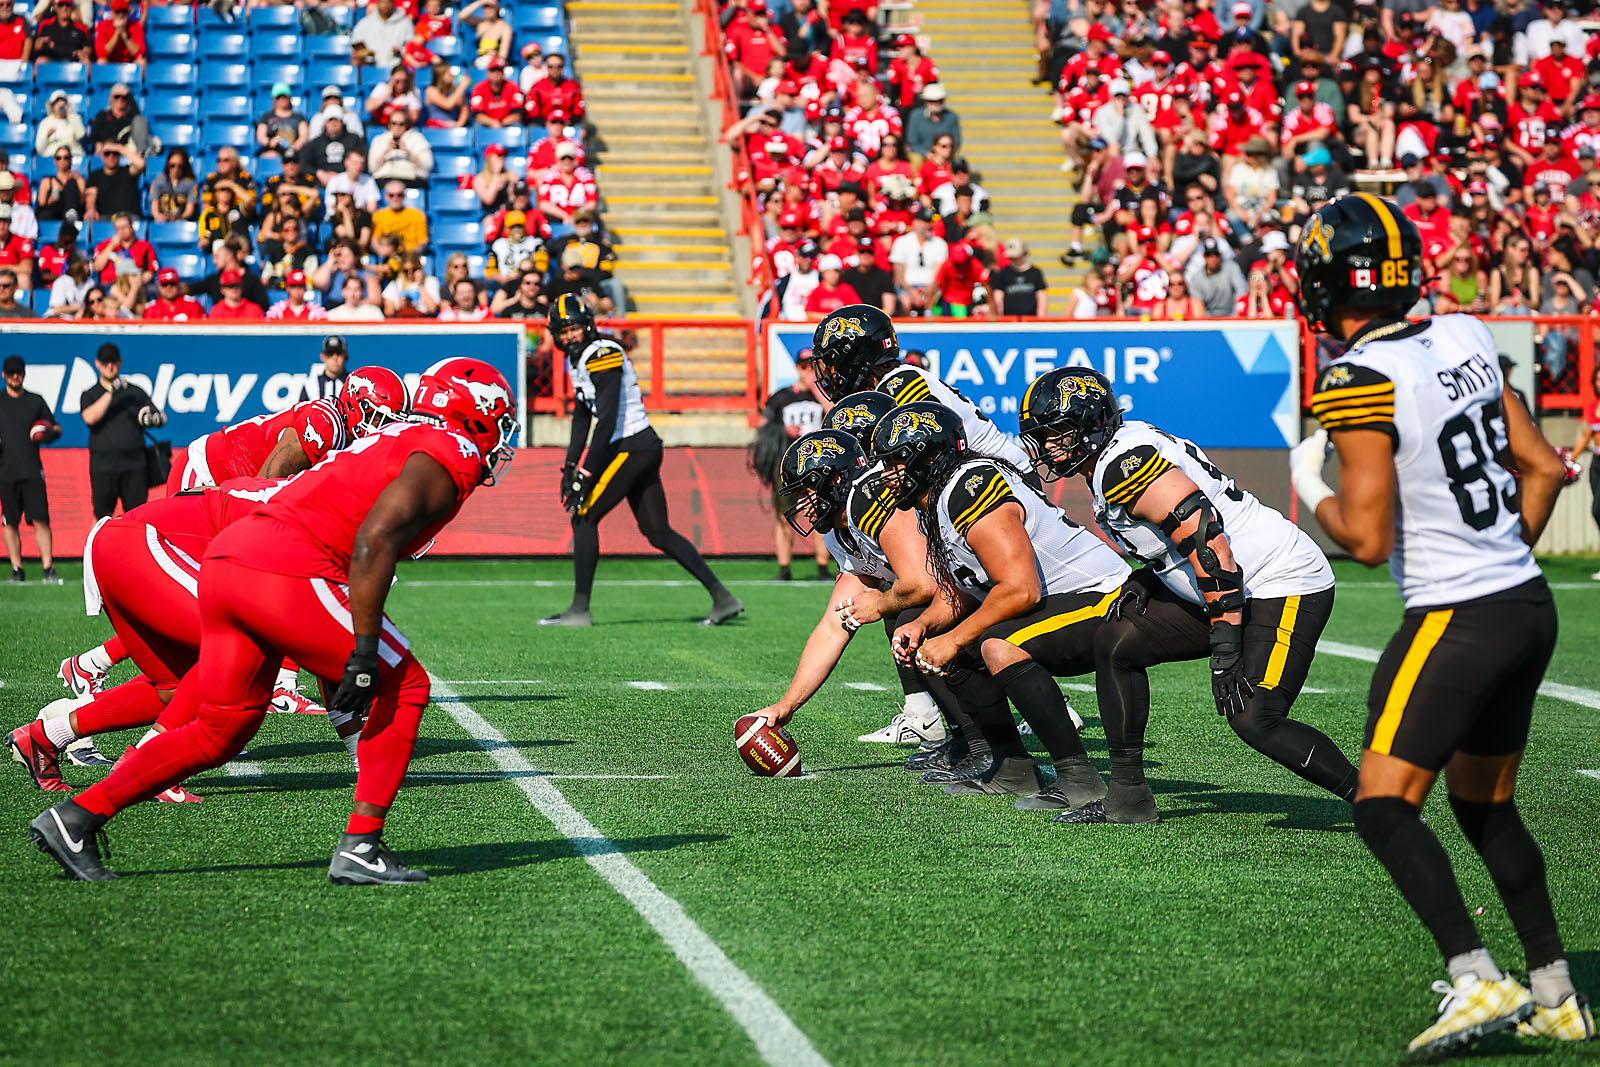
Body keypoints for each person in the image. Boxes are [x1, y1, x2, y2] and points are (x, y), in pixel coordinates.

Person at [1292, 194, 1592, 1054]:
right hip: (1524, 602)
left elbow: (1366, 537)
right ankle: (1557, 994)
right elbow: (1544, 468)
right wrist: (1499, 558)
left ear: (1326, 285)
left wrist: (1306, 482)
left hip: (1458, 616)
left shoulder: (1356, 377)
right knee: (1483, 805)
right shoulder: (1464, 333)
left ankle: (1475, 973)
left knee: (1381, 804)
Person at [26, 359, 516, 885]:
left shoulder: (394, 435)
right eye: (501, 420)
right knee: (407, 680)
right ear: (477, 414)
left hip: (232, 552)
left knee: (222, 728)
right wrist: (364, 649)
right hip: (278, 558)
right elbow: (374, 538)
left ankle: (75, 818)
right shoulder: (450, 450)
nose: (502, 437)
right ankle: (362, 845)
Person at [1016, 366, 1356, 824]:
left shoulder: (1123, 464)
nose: (1048, 445)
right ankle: (1128, 798)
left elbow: (1209, 545)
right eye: (1043, 435)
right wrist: (1150, 578)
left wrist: (1226, 642)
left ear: (1092, 424)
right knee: (1116, 641)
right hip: (1225, 586)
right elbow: (1174, 541)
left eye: (1057, 433)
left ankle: (1379, 802)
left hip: (1278, 580)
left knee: (1255, 716)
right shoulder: (1118, 452)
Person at [873, 400, 1128, 806]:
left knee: (994, 645)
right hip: (1060, 600)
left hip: (1104, 595)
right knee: (948, 644)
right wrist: (925, 625)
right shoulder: (935, 502)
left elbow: (1021, 589)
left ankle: (1079, 777)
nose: (887, 473)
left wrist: (955, 638)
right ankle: (1012, 767)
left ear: (930, 456)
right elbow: (966, 589)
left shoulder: (968, 486)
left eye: (897, 461)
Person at [540, 294, 743, 627]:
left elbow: (606, 420)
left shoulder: (603, 352)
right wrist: (570, 465)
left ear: (587, 325)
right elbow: (582, 415)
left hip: (630, 445)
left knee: (584, 517)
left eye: (574, 328)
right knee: (657, 531)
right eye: (563, 331)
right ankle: (723, 598)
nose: (570, 336)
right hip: (637, 446)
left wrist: (586, 472)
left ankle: (579, 610)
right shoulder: (580, 359)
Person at [810, 304, 1031, 471]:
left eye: (831, 362)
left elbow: (932, 449)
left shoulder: (900, 384)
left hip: (1003, 476)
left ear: (855, 357)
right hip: (981, 474)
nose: (829, 373)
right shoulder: (892, 383)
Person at [758, 351, 830, 580]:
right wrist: (783, 430)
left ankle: (823, 566)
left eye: (812, 366)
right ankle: (784, 567)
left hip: (819, 463)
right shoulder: (782, 397)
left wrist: (817, 390)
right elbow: (762, 426)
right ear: (797, 367)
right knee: (785, 514)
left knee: (822, 513)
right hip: (789, 463)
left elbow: (835, 413)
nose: (808, 370)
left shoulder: (826, 393)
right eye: (804, 366)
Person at [79, 342, 164, 519]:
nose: (110, 366)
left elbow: (160, 416)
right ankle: (98, 540)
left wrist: (154, 419)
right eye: (105, 362)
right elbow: (89, 417)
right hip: (104, 467)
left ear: (120, 362)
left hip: (134, 465)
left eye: (113, 361)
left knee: (138, 516)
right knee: (102, 517)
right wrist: (111, 392)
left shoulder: (134, 393)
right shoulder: (90, 394)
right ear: (97, 363)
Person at [0, 354, 61, 584]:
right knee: (9, 522)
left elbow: (56, 428)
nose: (15, 376)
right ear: (4, 375)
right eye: (11, 373)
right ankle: (17, 569)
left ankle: (48, 568)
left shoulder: (35, 401)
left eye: (19, 372)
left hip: (32, 470)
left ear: (24, 374)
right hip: (5, 473)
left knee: (41, 520)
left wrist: (46, 434)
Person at [989, 239, 1047, 317]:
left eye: (1016, 257)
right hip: (1009, 319)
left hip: (1031, 319)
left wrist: (1040, 317)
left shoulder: (1035, 272)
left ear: (1024, 254)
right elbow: (998, 297)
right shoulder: (1003, 273)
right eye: (1011, 257)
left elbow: (1041, 295)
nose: (1014, 260)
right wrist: (1000, 316)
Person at [301, 335, 349, 402]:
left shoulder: (354, 383)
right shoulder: (310, 384)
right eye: (330, 354)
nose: (334, 358)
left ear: (346, 356)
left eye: (339, 353)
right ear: (322, 357)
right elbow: (301, 408)